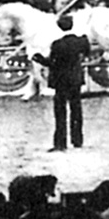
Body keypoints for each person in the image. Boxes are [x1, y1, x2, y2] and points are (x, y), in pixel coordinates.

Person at [40, 15, 89, 151]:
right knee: (76, 109)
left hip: (61, 80)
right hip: (75, 79)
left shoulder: (57, 44)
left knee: (60, 112)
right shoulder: (81, 41)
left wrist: (39, 59)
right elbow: (87, 52)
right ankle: (77, 140)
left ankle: (61, 143)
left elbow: (53, 63)